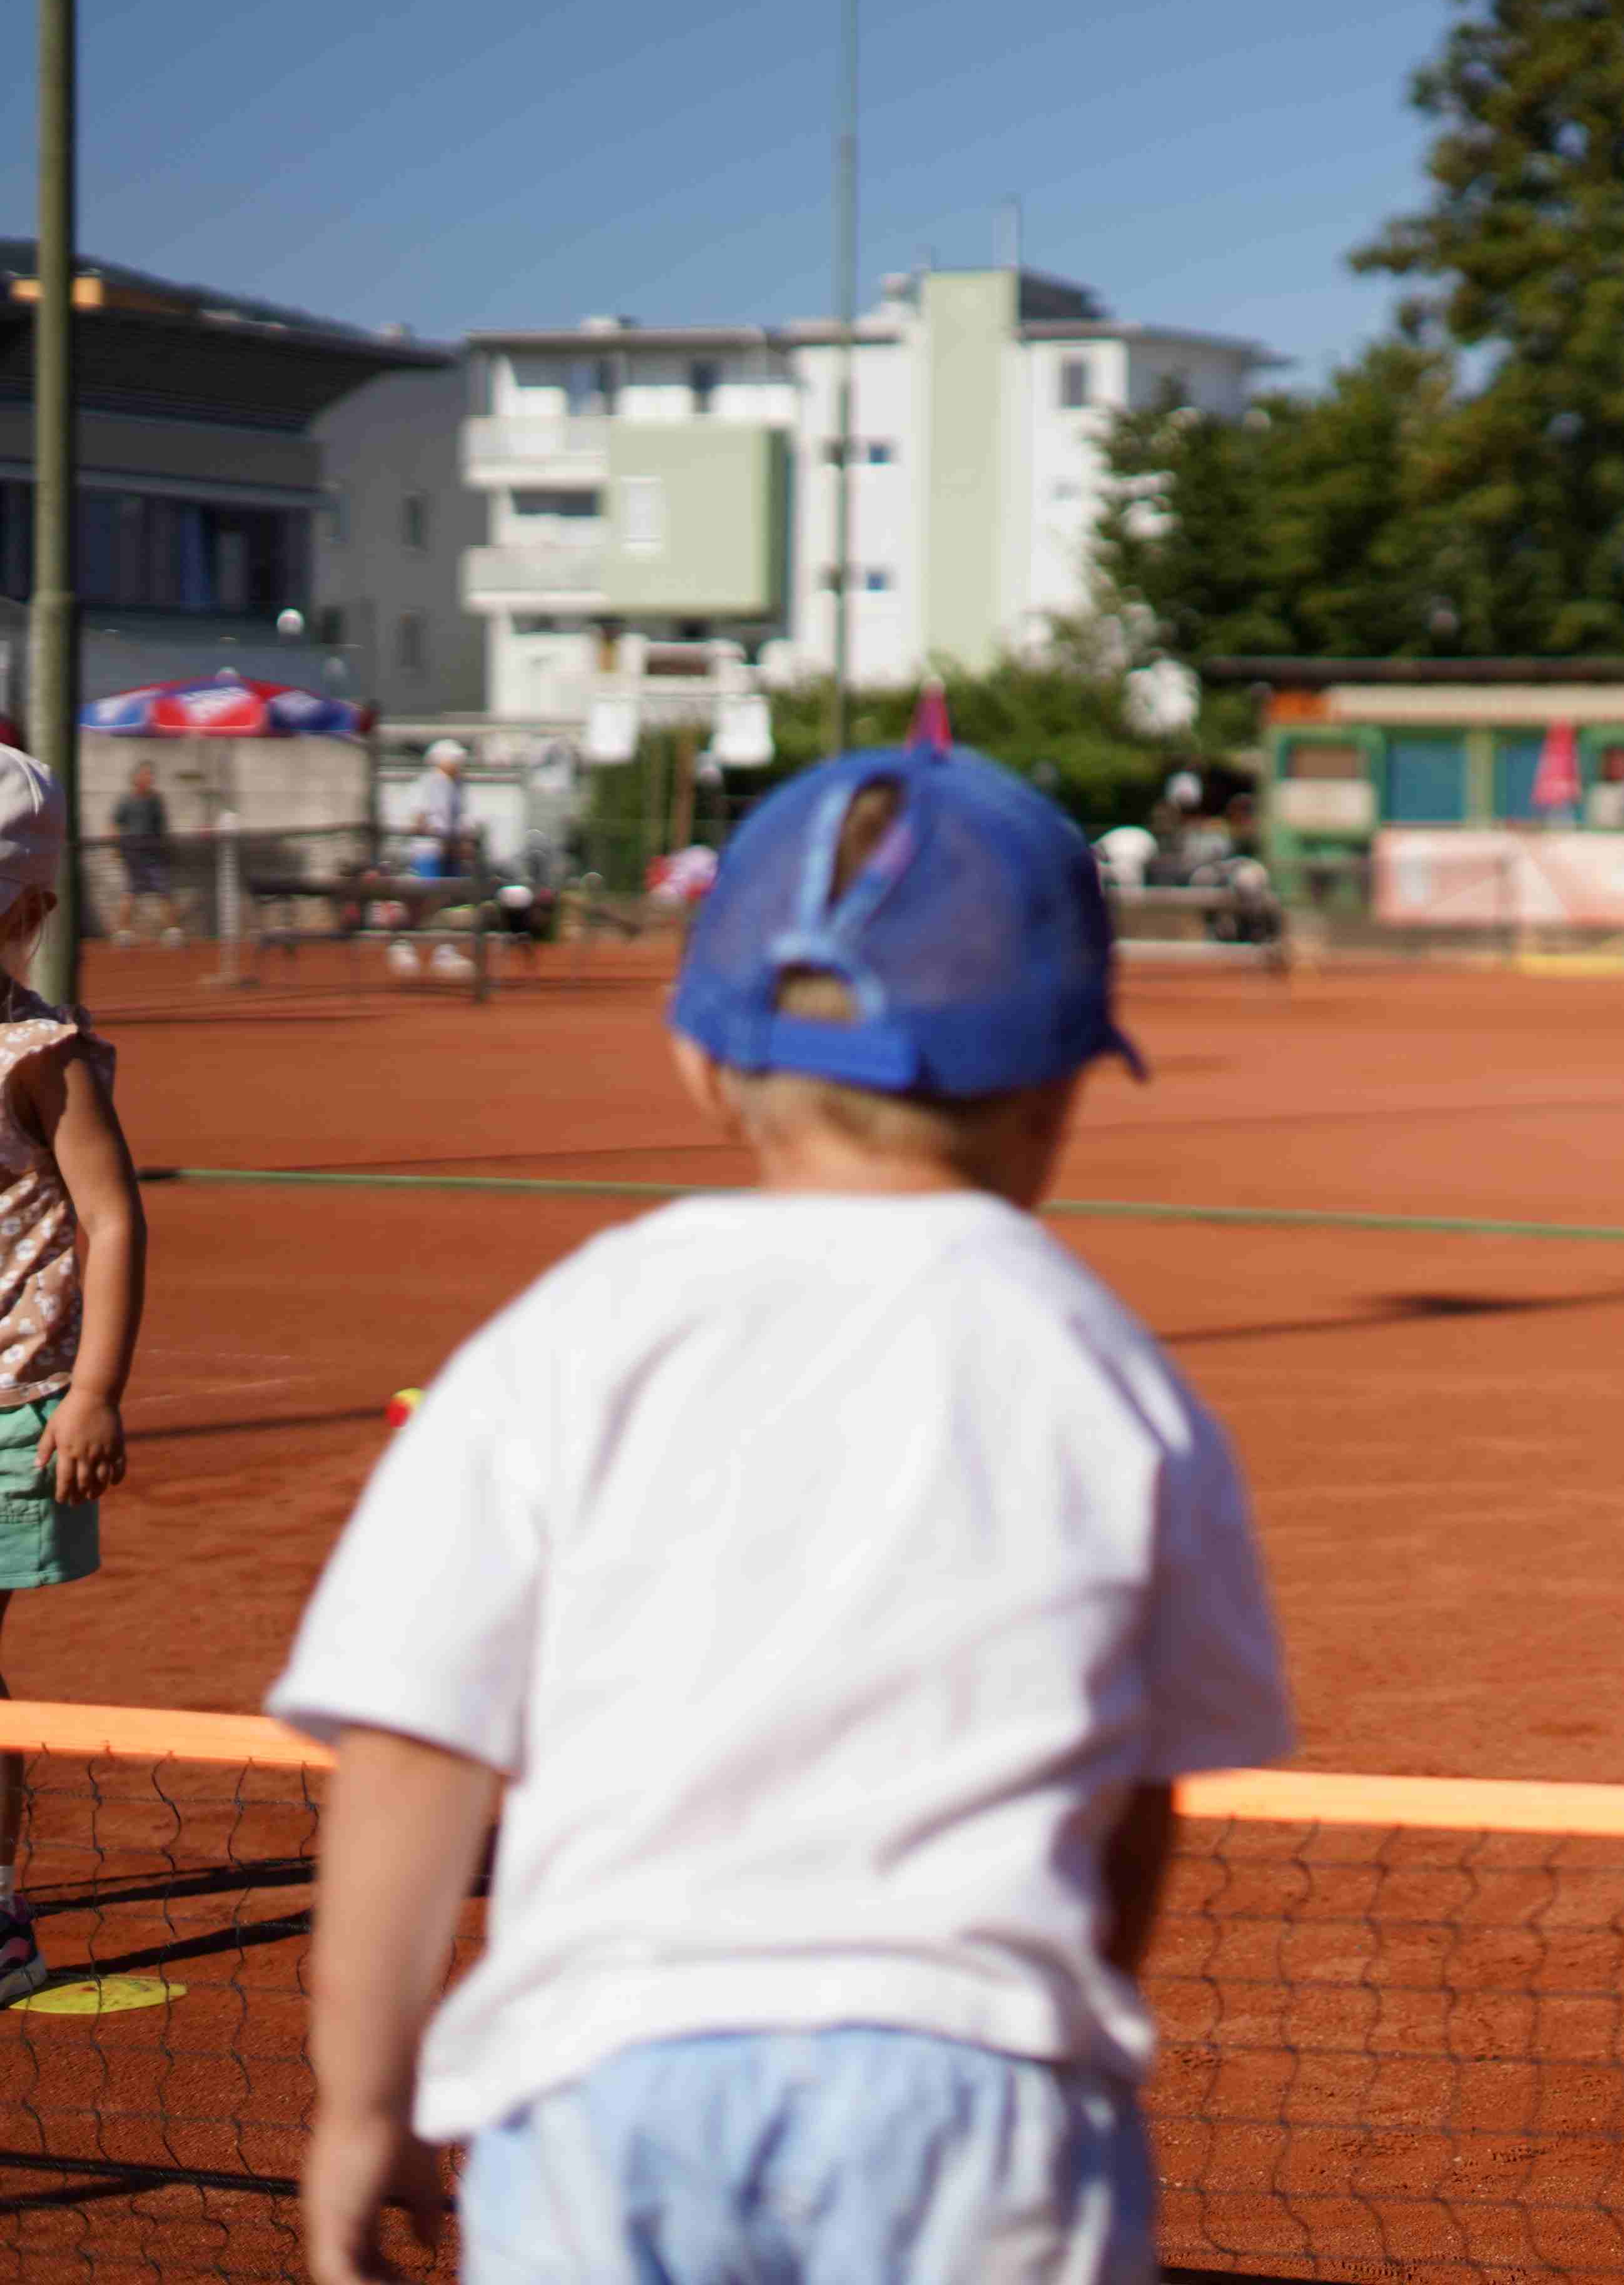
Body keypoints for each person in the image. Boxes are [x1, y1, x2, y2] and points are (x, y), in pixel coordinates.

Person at [273, 739, 1297, 2285]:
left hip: (605, 2079)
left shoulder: (573, 1329)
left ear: (699, 1059)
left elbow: (418, 1742)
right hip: (986, 2098)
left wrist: (363, 2101)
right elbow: (1142, 1790)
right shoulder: (1109, 1373)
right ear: (1066, 1086)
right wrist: (1059, 2021)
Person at [0, 750, 148, 2007]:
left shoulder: (41, 1054)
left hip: (12, 1408)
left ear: (24, 913)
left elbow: (113, 1221)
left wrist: (94, 1389)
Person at [109, 763, 176, 947]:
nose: (149, 779)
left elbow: (162, 827)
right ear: (136, 779)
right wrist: (116, 848)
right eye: (145, 775)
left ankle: (172, 931)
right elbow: (115, 824)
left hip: (154, 854)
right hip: (133, 854)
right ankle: (123, 932)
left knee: (164, 891)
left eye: (150, 776)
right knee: (131, 892)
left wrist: (164, 848)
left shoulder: (156, 800)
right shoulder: (126, 801)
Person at [409, 739, 476, 881]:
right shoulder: (427, 783)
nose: (458, 764)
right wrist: (437, 837)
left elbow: (461, 816)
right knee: (431, 890)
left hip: (453, 850)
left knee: (452, 892)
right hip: (431, 851)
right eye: (454, 760)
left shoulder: (458, 785)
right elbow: (419, 816)